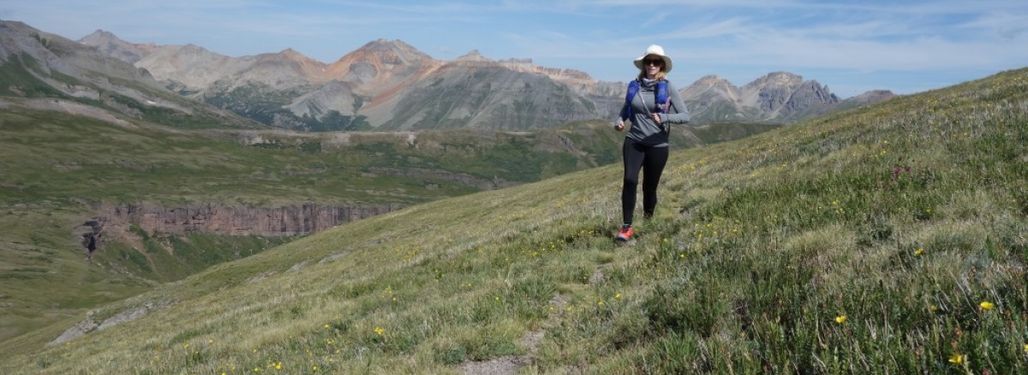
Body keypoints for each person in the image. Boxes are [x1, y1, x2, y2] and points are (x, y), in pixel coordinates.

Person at [614, 44, 689, 241]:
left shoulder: (668, 86)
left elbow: (685, 116)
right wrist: (620, 120)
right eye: (649, 61)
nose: (652, 65)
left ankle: (648, 221)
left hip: (657, 145)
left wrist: (664, 118)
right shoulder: (634, 86)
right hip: (634, 140)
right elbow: (626, 108)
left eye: (656, 62)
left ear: (662, 65)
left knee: (649, 187)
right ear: (643, 64)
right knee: (629, 180)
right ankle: (626, 227)